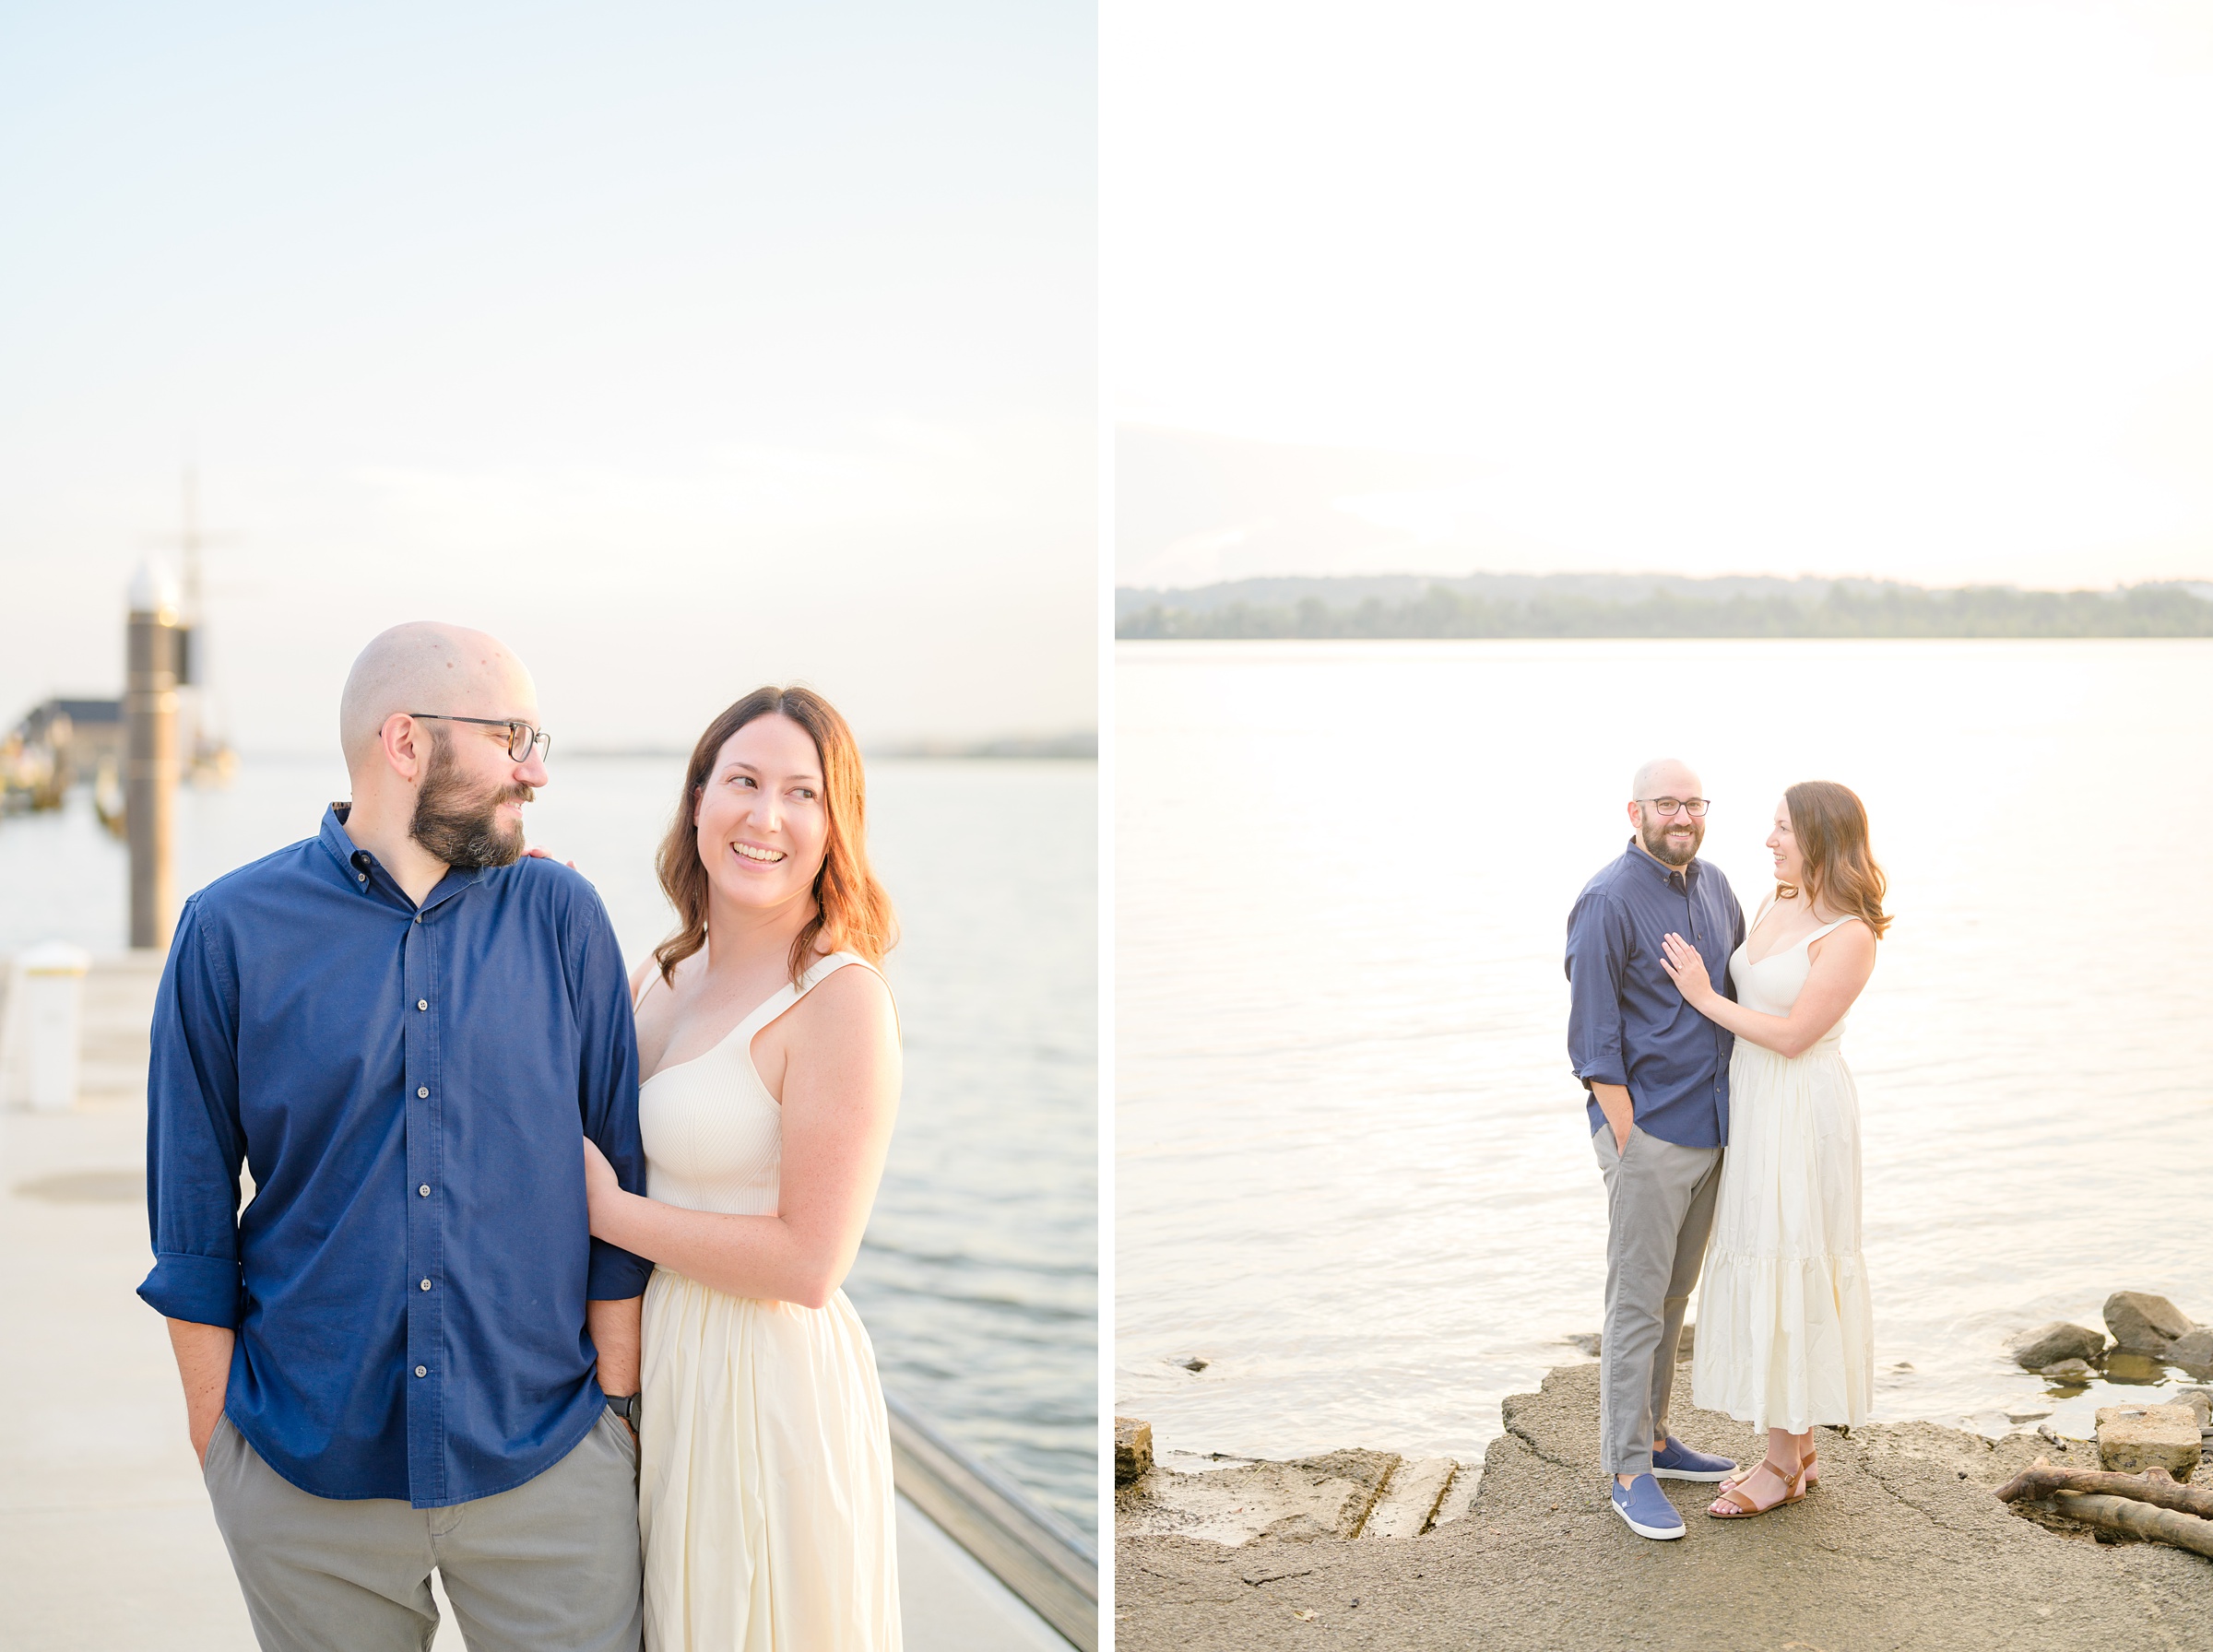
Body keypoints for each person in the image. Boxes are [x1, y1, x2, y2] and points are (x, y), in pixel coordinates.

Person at [139, 621, 652, 1651]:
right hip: (305, 1482)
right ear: (407, 743)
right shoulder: (227, 930)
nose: (536, 769)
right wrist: (220, 1445)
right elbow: (191, 1220)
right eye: (514, 736)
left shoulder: (564, 917)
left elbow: (618, 1190)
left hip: (549, 1468)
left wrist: (617, 1424)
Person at [579, 686, 904, 1651]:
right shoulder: (659, 975)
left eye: (803, 794)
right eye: (745, 781)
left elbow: (811, 1262)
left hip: (762, 1383)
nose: (767, 816)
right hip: (656, 1365)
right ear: (698, 800)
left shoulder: (840, 999)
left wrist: (608, 1213)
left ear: (835, 827)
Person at [1663, 781, 1884, 1518]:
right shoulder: (1777, 901)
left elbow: (1792, 1036)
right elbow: (1759, 1007)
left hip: (1803, 1106)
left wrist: (1702, 995)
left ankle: (1782, 1463)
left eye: (1783, 828)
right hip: (1756, 1101)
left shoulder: (1850, 934)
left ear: (1820, 837)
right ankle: (1803, 1447)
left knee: (1795, 1257)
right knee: (1766, 1252)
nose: (1770, 841)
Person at [1565, 758, 1746, 1541]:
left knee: (1675, 1300)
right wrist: (1629, 1138)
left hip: (1711, 1126)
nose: (1682, 816)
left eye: (1694, 803)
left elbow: (1734, 993)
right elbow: (1592, 1037)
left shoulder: (1715, 887)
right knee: (1636, 1304)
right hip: (1650, 1135)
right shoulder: (1607, 900)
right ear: (1634, 811)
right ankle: (1628, 1470)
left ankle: (1661, 1440)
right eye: (1667, 803)